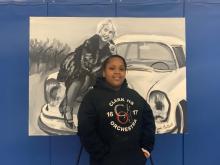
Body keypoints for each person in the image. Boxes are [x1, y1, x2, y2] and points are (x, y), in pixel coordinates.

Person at [78, 55, 156, 165]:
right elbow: (85, 130)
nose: (117, 72)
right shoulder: (92, 97)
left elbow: (148, 121)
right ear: (104, 72)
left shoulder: (133, 95)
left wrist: (146, 148)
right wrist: (101, 154)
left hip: (135, 160)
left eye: (121, 69)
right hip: (104, 161)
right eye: (112, 68)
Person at [57, 19, 117, 129]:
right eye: (105, 30)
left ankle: (65, 103)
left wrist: (113, 54)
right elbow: (86, 64)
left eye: (110, 32)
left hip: (93, 71)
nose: (107, 34)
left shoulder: (111, 47)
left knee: (89, 81)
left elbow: (112, 66)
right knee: (81, 79)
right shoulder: (90, 42)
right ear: (100, 30)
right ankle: (68, 110)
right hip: (78, 66)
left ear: (113, 35)